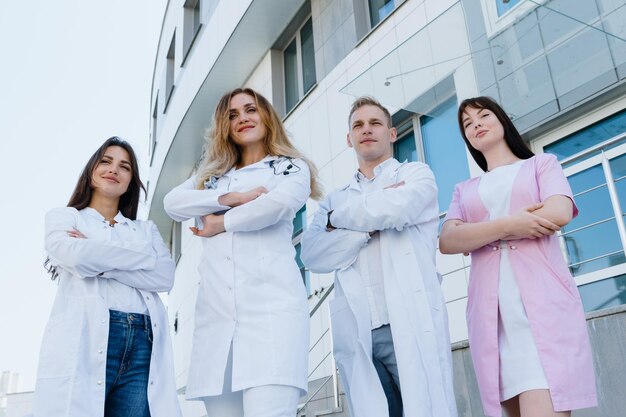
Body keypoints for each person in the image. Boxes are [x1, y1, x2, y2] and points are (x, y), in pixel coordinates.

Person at [163, 87, 321, 417]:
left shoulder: (290, 167)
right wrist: (228, 198)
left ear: (266, 116)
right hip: (217, 324)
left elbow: (276, 206)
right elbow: (172, 203)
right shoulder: (213, 178)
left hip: (272, 318)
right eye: (232, 115)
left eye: (250, 109)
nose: (242, 119)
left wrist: (222, 223)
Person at [439, 96, 598, 417]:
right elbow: (448, 239)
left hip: (541, 315)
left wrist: (480, 232)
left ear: (502, 121)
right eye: (467, 124)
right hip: (494, 322)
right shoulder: (464, 189)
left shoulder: (540, 165)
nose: (476, 125)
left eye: (483, 116)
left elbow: (559, 210)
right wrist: (510, 224)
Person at [300, 96, 458, 417]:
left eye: (375, 123)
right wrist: (365, 230)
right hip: (361, 329)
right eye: (358, 125)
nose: (366, 130)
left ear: (393, 133)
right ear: (349, 138)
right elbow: (313, 254)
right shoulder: (335, 197)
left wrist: (338, 220)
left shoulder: (417, 174)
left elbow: (401, 207)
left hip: (407, 320)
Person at [33, 137, 181, 417]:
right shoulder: (65, 218)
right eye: (106, 161)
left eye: (124, 166)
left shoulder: (144, 230)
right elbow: (73, 255)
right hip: (87, 335)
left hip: (142, 341)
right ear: (91, 171)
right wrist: (141, 260)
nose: (114, 169)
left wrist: (99, 261)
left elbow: (164, 276)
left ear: (130, 181)